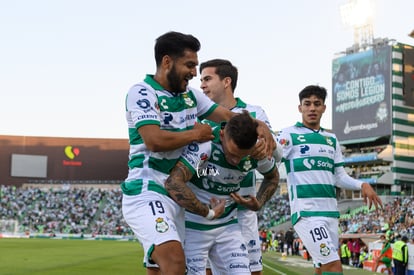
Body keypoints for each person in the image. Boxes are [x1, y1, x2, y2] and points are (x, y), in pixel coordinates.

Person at [121, 31, 275, 275]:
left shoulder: (190, 96)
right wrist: (196, 134)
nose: (194, 73)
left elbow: (226, 115)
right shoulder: (142, 92)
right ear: (167, 62)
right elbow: (153, 140)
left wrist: (260, 125)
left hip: (178, 194)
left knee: (158, 268)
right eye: (190, 65)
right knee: (174, 261)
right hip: (148, 188)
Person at [276, 85, 383, 275]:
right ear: (299, 108)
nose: (312, 108)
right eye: (307, 104)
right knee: (334, 265)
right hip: (307, 213)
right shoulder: (288, 134)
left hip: (331, 214)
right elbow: (273, 159)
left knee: (321, 267)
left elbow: (339, 176)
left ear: (324, 108)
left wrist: (362, 184)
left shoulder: (331, 139)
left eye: (317, 104)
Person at [165, 111, 280, 275]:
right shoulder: (205, 146)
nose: (236, 161)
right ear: (221, 135)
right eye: (232, 154)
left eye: (242, 156)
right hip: (193, 228)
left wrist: (259, 201)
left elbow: (273, 176)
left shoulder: (255, 150)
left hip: (228, 228)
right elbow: (173, 183)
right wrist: (208, 212)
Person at [199, 58, 282, 275]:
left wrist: (265, 146)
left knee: (252, 272)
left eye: (207, 79)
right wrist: (217, 171)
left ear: (226, 81)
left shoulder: (255, 113)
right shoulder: (199, 116)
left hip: (242, 211)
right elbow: (196, 168)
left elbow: (275, 156)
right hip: (206, 210)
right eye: (201, 80)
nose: (202, 85)